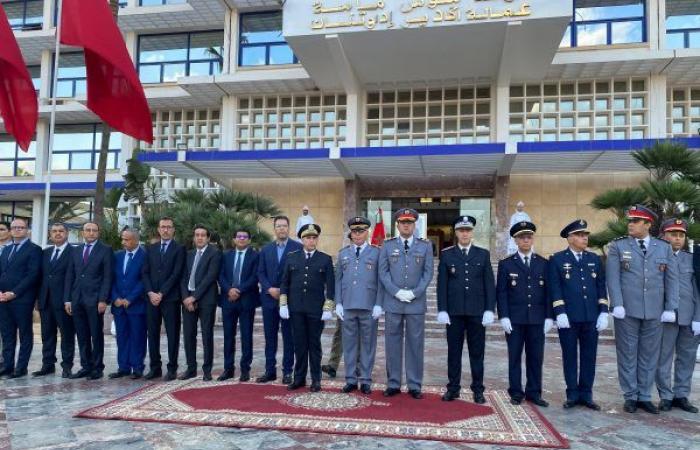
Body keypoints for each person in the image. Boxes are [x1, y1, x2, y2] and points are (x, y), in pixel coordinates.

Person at [606, 205, 679, 414]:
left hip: (655, 311)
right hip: (627, 310)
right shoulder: (618, 247)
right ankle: (630, 395)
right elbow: (613, 278)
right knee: (628, 354)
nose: (630, 224)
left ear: (648, 224)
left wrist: (671, 307)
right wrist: (617, 303)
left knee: (649, 355)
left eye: (636, 221)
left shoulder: (663, 247)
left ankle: (645, 396)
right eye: (630, 220)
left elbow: (671, 280)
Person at [549, 219, 608, 410]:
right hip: (569, 317)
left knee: (589, 356)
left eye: (586, 235)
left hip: (591, 316)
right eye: (581, 235)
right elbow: (555, 288)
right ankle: (572, 394)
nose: (585, 238)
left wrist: (603, 311)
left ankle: (587, 394)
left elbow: (600, 286)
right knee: (569, 356)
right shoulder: (557, 259)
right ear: (570, 238)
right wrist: (560, 312)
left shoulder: (594, 259)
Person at [437, 215, 496, 403]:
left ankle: (478, 390)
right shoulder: (447, 255)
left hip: (477, 313)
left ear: (472, 233)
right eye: (461, 230)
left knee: (477, 353)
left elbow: (489, 284)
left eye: (468, 230)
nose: (464, 233)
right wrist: (442, 309)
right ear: (456, 233)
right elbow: (442, 285)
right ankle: (453, 388)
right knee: (453, 352)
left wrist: (489, 309)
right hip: (454, 313)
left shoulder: (482, 254)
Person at [378, 208, 434, 399]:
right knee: (392, 343)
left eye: (410, 222)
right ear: (398, 225)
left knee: (415, 344)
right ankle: (393, 383)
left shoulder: (425, 246)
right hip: (393, 302)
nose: (406, 225)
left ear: (414, 224)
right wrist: (396, 291)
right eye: (403, 222)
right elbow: (383, 272)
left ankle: (414, 384)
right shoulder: (387, 245)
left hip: (415, 303)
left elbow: (428, 273)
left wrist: (414, 293)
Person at [496, 221, 552, 407]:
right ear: (516, 240)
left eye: (529, 237)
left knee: (536, 357)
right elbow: (502, 292)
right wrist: (503, 316)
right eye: (522, 237)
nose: (526, 240)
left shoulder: (544, 263)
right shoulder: (506, 264)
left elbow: (549, 293)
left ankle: (534, 392)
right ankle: (516, 392)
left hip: (537, 318)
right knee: (515, 357)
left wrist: (549, 316)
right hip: (515, 319)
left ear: (532, 239)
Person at [280, 224, 335, 392]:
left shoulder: (325, 259)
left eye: (314, 237)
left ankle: (316, 379)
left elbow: (331, 286)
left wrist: (328, 307)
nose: (311, 240)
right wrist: (283, 303)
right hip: (296, 309)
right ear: (302, 239)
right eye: (308, 238)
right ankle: (299, 378)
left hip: (315, 310)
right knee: (299, 345)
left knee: (314, 345)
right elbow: (284, 282)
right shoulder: (292, 257)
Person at [656, 219, 700, 413]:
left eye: (681, 235)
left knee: (687, 357)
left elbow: (698, 290)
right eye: (673, 234)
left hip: (690, 316)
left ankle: (681, 395)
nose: (677, 238)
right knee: (663, 358)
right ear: (664, 235)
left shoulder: (691, 259)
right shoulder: (657, 257)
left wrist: (698, 317)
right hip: (667, 317)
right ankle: (665, 395)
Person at [335, 217, 382, 394]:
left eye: (361, 231)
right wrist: (338, 302)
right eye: (354, 232)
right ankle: (350, 379)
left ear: (367, 232)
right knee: (349, 344)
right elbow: (338, 280)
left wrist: (379, 304)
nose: (357, 235)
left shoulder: (376, 253)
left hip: (369, 306)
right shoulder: (343, 253)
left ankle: (366, 380)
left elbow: (380, 281)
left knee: (368, 344)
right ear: (351, 234)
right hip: (348, 305)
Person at [64, 222, 113, 380]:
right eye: (88, 230)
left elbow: (107, 277)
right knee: (82, 335)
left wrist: (103, 299)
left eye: (94, 230)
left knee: (96, 335)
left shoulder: (105, 250)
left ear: (98, 232)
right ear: (82, 233)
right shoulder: (76, 250)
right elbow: (70, 276)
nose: (91, 233)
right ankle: (86, 366)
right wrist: (67, 299)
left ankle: (97, 368)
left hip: (95, 300)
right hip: (77, 299)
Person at [257, 216, 302, 385]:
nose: (281, 229)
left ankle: (287, 371)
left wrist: (282, 291)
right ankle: (270, 371)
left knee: (288, 337)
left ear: (289, 228)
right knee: (270, 337)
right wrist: (269, 288)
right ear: (274, 229)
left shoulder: (297, 248)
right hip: (268, 299)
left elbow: (297, 274)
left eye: (284, 226)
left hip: (288, 300)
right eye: (278, 226)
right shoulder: (266, 249)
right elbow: (260, 272)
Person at [143, 216, 185, 381]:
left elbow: (176, 274)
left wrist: (161, 293)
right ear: (159, 229)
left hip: (170, 299)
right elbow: (144, 272)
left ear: (173, 230)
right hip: (151, 299)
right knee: (152, 333)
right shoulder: (150, 248)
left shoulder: (179, 248)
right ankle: (155, 368)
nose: (166, 230)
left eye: (169, 227)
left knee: (172, 334)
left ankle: (172, 368)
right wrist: (150, 293)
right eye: (163, 227)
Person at [0, 218, 42, 378]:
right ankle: (8, 366)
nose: (17, 230)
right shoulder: (6, 249)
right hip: (3, 299)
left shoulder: (34, 249)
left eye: (21, 227)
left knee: (25, 334)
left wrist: (14, 292)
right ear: (10, 230)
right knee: (7, 334)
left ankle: (21, 367)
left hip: (22, 299)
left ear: (27, 230)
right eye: (14, 227)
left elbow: (32, 275)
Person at [179, 225, 222, 381]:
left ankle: (207, 370)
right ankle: (191, 368)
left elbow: (210, 277)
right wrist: (185, 297)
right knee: (189, 335)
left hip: (205, 300)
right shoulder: (189, 254)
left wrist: (194, 297)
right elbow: (182, 277)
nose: (199, 237)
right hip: (188, 300)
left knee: (206, 335)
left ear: (208, 238)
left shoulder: (215, 253)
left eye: (203, 235)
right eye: (197, 235)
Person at [217, 229, 260, 382]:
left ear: (249, 240)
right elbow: (220, 275)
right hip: (228, 300)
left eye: (245, 237)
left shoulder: (255, 256)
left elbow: (255, 276)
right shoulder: (226, 256)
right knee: (228, 336)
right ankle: (228, 369)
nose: (242, 239)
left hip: (247, 301)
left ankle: (245, 369)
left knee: (246, 336)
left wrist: (239, 290)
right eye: (239, 236)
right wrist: (229, 289)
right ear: (234, 239)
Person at [34, 222, 76, 378]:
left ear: (67, 233)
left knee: (67, 335)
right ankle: (48, 365)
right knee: (47, 335)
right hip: (45, 300)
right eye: (54, 231)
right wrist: (38, 299)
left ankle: (67, 366)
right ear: (50, 234)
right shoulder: (45, 253)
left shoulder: (74, 252)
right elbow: (40, 278)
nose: (58, 234)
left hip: (64, 302)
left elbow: (74, 279)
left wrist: (70, 300)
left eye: (61, 231)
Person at [108, 228, 147, 380]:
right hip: (119, 305)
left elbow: (144, 280)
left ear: (136, 240)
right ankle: (123, 367)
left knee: (137, 337)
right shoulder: (117, 256)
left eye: (127, 239)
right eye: (122, 239)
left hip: (136, 305)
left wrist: (130, 298)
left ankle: (137, 367)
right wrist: (115, 297)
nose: (123, 242)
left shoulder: (145, 256)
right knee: (122, 337)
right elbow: (111, 279)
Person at [0, 221, 10, 369]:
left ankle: (5, 361)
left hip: (8, 296)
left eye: (2, 229)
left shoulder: (15, 249)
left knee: (6, 332)